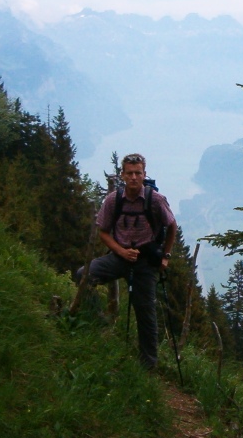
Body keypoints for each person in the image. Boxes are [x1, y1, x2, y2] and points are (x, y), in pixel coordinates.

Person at [74, 153, 177, 370]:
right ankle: (99, 322)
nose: (133, 177)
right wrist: (121, 251)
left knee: (145, 312)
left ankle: (148, 365)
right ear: (122, 175)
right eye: (129, 173)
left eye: (138, 173)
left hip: (145, 261)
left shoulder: (155, 199)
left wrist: (165, 256)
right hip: (119, 256)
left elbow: (172, 226)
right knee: (84, 275)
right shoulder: (113, 200)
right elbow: (103, 231)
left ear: (144, 174)